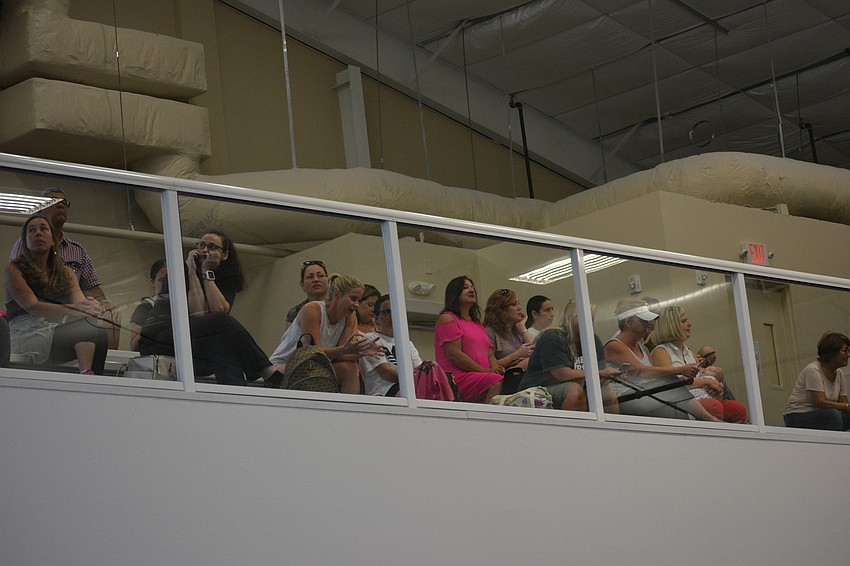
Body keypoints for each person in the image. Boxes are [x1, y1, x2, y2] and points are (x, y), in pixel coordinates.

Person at [139, 231, 283, 387]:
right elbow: (198, 313)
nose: (204, 250)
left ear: (225, 255)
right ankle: (265, 370)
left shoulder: (226, 280)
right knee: (221, 323)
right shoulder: (179, 273)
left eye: (212, 246)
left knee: (220, 343)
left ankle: (236, 395)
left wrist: (206, 273)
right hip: (158, 339)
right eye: (201, 245)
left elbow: (218, 310)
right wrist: (192, 271)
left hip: (189, 342)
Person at [10, 188, 121, 348]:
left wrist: (104, 304)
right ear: (40, 211)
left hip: (73, 314)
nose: (61, 206)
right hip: (38, 316)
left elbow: (94, 290)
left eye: (64, 203)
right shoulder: (25, 245)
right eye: (54, 202)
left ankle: (106, 367)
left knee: (110, 314)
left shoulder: (78, 250)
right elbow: (24, 289)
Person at [4, 214, 108, 374]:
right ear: (25, 242)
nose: (38, 233)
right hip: (27, 334)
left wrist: (91, 306)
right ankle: (86, 376)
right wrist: (76, 309)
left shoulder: (67, 272)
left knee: (97, 330)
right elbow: (32, 306)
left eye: (43, 229)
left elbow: (80, 303)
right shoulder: (13, 270)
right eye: (31, 230)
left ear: (53, 240)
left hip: (54, 332)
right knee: (86, 327)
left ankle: (89, 378)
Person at [603, 298, 720, 422]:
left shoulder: (643, 349)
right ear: (629, 322)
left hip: (644, 395)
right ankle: (709, 420)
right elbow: (642, 372)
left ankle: (706, 420)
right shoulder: (615, 346)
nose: (648, 324)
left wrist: (681, 380)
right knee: (671, 391)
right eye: (643, 321)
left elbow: (653, 376)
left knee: (674, 398)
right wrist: (679, 370)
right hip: (626, 398)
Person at [271, 273, 381, 394]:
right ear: (336, 294)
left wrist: (362, 352)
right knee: (339, 367)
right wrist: (343, 350)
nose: (356, 305)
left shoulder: (350, 316)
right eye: (353, 299)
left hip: (312, 368)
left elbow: (342, 354)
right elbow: (313, 353)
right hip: (284, 367)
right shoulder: (312, 309)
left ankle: (347, 411)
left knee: (351, 367)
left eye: (359, 301)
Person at [650, 306, 748, 423]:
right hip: (683, 403)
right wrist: (707, 382)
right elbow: (671, 387)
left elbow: (700, 378)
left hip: (703, 396)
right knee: (714, 407)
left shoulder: (689, 353)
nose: (690, 324)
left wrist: (715, 383)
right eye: (683, 321)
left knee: (737, 408)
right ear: (671, 325)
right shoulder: (661, 352)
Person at [520, 299, 620, 411]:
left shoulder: (593, 339)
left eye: (592, 319)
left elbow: (601, 370)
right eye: (586, 318)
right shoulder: (553, 337)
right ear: (572, 319)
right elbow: (561, 374)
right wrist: (599, 374)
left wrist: (610, 375)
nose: (590, 323)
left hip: (574, 386)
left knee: (607, 391)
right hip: (538, 389)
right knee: (575, 390)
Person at [433, 276, 504, 403]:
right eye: (465, 287)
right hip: (458, 378)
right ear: (455, 293)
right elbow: (454, 355)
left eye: (472, 287)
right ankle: (486, 420)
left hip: (481, 375)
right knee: (495, 382)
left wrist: (495, 368)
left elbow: (489, 352)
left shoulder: (477, 323)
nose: (471, 290)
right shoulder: (448, 318)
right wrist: (485, 371)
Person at [783, 332, 850, 431]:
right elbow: (821, 402)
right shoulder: (813, 370)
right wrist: (846, 406)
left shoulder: (839, 373)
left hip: (823, 415)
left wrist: (846, 407)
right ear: (832, 353)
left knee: (838, 415)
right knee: (833, 415)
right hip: (797, 416)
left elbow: (844, 404)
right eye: (845, 351)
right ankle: (832, 445)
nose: (848, 355)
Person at [359, 294, 423, 396]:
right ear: (376, 318)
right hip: (383, 391)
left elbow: (420, 371)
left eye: (396, 312)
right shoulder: (370, 339)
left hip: (409, 387)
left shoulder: (407, 343)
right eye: (387, 312)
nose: (392, 316)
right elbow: (386, 373)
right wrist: (416, 381)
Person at [483, 288, 534, 371]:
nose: (519, 308)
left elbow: (534, 350)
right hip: (506, 375)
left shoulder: (517, 329)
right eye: (514, 305)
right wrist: (518, 354)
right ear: (501, 309)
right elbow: (490, 366)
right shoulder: (490, 332)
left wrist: (522, 327)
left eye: (519, 303)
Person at [129, 259, 166, 352]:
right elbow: (134, 345)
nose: (166, 284)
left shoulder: (184, 305)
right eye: (161, 280)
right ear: (153, 282)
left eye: (169, 280)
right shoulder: (146, 306)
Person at [285, 260, 328, 328]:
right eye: (310, 277)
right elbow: (290, 338)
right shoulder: (295, 313)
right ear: (302, 285)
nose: (316, 280)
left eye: (320, 276)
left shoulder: (339, 307)